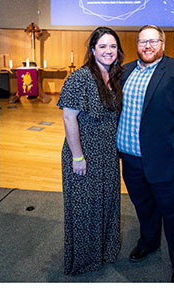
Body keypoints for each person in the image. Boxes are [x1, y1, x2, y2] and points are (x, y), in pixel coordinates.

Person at [117, 25, 174, 282]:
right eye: (143, 41)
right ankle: (149, 242)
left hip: (170, 162)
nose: (148, 46)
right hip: (131, 159)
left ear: (163, 44)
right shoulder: (124, 71)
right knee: (143, 207)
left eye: (153, 41)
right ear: (137, 44)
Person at [58, 26, 125, 275]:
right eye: (103, 46)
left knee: (107, 202)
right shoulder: (80, 78)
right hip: (84, 153)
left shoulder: (116, 76)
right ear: (93, 50)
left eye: (113, 46)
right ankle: (85, 259)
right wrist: (77, 156)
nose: (109, 51)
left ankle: (104, 251)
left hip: (108, 154)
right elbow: (68, 119)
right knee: (85, 208)